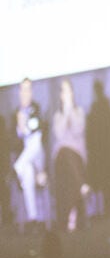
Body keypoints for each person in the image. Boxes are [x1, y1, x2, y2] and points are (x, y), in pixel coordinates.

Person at [51, 79, 89, 232]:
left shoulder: (79, 112)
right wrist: (65, 112)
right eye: (63, 91)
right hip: (61, 158)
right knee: (64, 155)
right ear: (61, 95)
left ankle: (71, 216)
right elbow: (59, 135)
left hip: (77, 155)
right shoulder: (57, 116)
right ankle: (81, 185)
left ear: (72, 93)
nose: (66, 94)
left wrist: (70, 111)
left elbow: (77, 130)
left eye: (68, 91)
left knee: (68, 156)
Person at [86, 79, 110, 217]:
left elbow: (92, 131)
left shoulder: (97, 107)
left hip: (101, 151)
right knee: (109, 181)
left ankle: (106, 208)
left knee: (106, 181)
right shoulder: (105, 105)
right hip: (107, 150)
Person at [12, 78, 48, 233]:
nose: (25, 93)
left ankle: (17, 168)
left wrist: (25, 127)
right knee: (27, 172)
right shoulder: (15, 114)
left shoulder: (36, 109)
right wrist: (19, 129)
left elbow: (39, 133)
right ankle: (34, 218)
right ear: (19, 92)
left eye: (28, 89)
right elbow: (14, 144)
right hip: (26, 159)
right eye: (23, 89)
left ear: (31, 92)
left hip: (38, 157)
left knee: (36, 142)